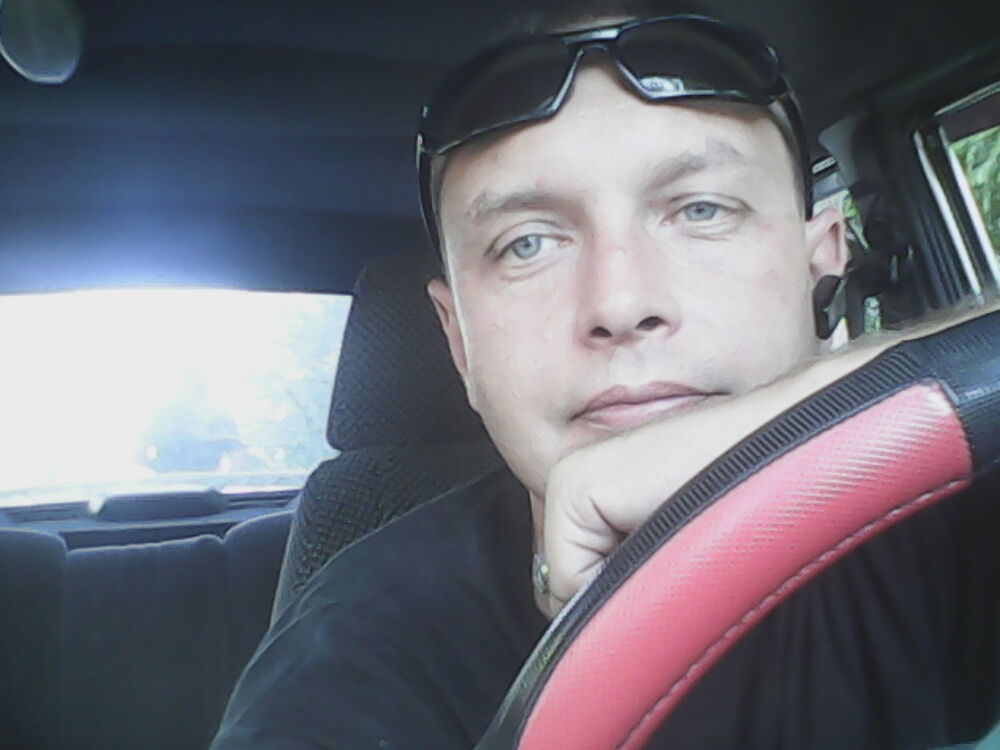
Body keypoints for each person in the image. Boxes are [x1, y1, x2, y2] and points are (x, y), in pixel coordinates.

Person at [212, 3, 1000, 748]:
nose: (621, 304)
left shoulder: (959, 519)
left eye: (701, 210)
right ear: (458, 342)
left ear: (821, 261)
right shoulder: (364, 646)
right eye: (527, 244)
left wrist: (802, 428)